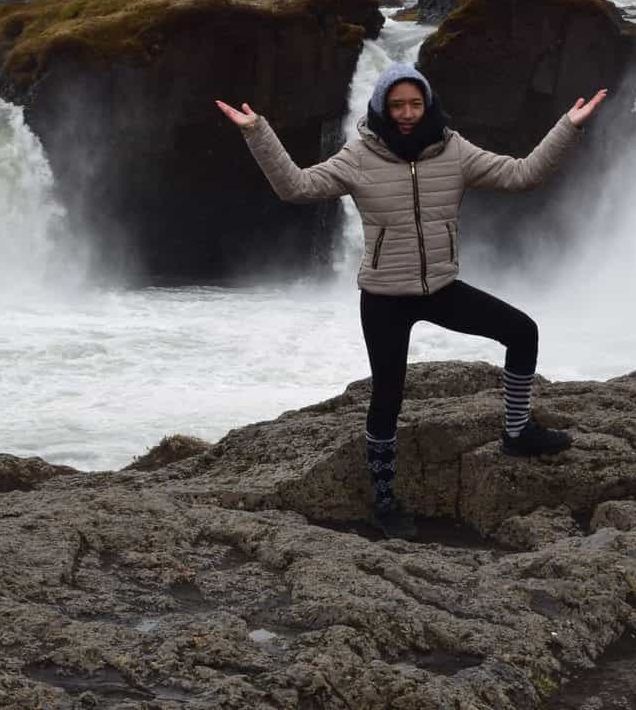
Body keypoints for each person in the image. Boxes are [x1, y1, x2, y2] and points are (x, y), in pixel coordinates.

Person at [216, 63, 606, 540]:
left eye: (414, 104)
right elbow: (296, 187)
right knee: (388, 395)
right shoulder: (358, 157)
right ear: (381, 106)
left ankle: (518, 433)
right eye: (396, 105)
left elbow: (523, 174)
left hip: (440, 288)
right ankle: (384, 499)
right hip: (384, 296)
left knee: (522, 331)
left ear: (427, 105)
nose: (406, 113)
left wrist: (568, 127)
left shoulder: (454, 150)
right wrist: (258, 132)